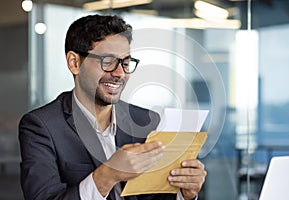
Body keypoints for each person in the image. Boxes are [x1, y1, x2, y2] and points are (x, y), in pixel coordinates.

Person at [19, 14, 206, 200]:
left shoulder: (147, 121)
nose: (120, 74)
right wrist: (108, 174)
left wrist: (184, 193)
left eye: (125, 63)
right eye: (107, 62)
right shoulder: (41, 126)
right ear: (74, 63)